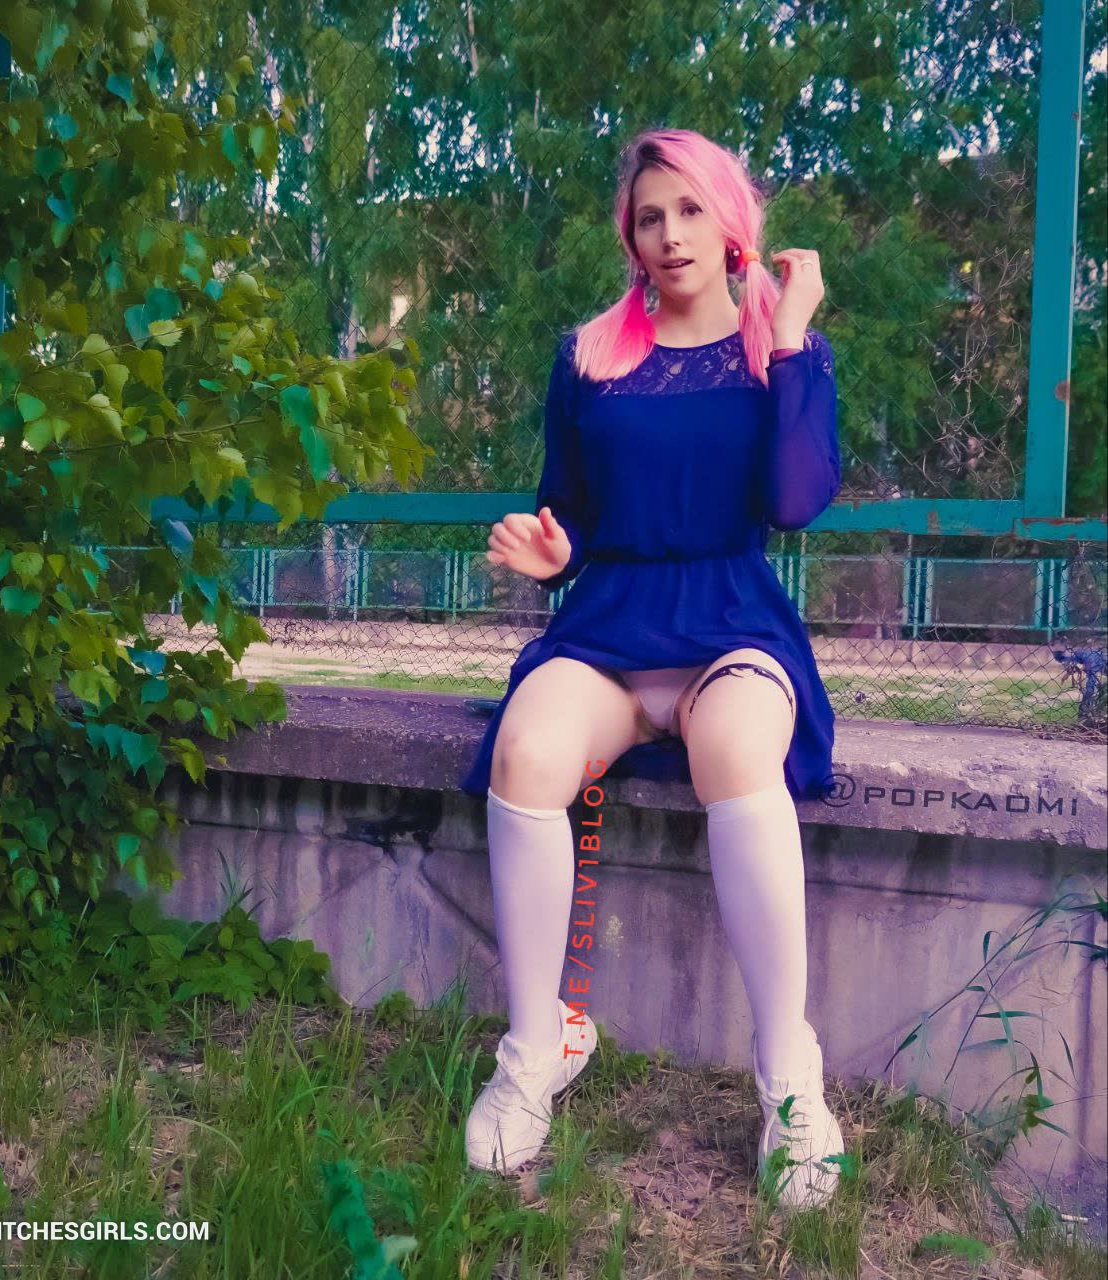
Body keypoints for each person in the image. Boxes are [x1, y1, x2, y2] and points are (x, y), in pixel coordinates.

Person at [459, 127, 846, 1212]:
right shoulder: (587, 355)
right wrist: (554, 553)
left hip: (731, 624)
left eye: (688, 209)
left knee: (736, 746)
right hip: (612, 623)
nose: (669, 234)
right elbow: (570, 509)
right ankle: (536, 1048)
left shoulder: (781, 348)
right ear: (628, 237)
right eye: (647, 217)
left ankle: (789, 1079)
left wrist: (792, 336)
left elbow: (793, 501)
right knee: (528, 751)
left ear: (730, 219)